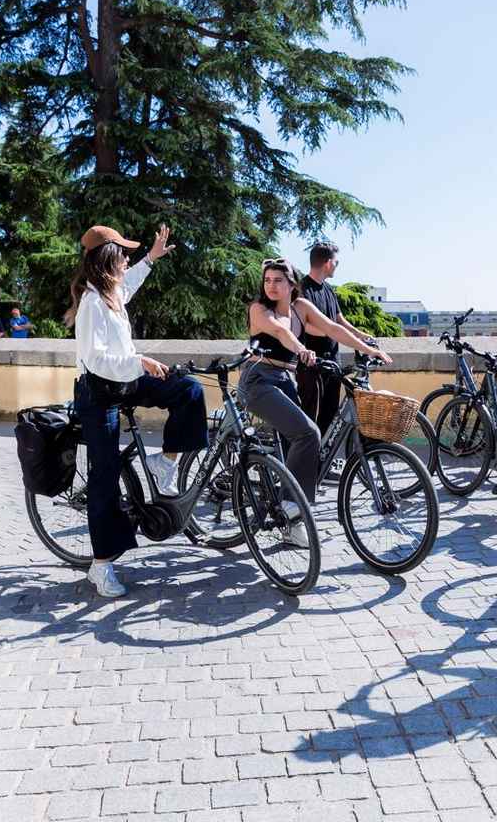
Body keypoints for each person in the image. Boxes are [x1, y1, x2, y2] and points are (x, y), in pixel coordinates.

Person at [70, 223, 207, 598]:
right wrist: (140, 362)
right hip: (99, 394)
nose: (127, 259)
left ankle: (166, 461)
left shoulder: (113, 292)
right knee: (105, 476)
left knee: (188, 391)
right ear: (109, 258)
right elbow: (96, 360)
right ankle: (100, 567)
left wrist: (151, 258)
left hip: (125, 379)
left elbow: (130, 284)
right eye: (124, 254)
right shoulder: (91, 303)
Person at [241, 259, 388, 535]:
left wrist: (368, 349)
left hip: (286, 380)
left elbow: (333, 328)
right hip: (258, 381)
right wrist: (301, 350)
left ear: (292, 284)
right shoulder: (259, 309)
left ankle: (290, 524)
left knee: (293, 449)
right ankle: (293, 508)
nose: (271, 285)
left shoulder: (301, 308)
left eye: (278, 280)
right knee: (308, 434)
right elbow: (280, 331)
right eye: (267, 280)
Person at [296, 241, 388, 473]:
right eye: (336, 261)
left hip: (332, 363)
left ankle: (321, 464)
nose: (337, 265)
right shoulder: (302, 290)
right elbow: (308, 326)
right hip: (311, 366)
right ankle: (304, 466)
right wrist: (334, 331)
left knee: (329, 414)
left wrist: (360, 334)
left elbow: (338, 320)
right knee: (310, 417)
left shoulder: (328, 289)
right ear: (327, 263)